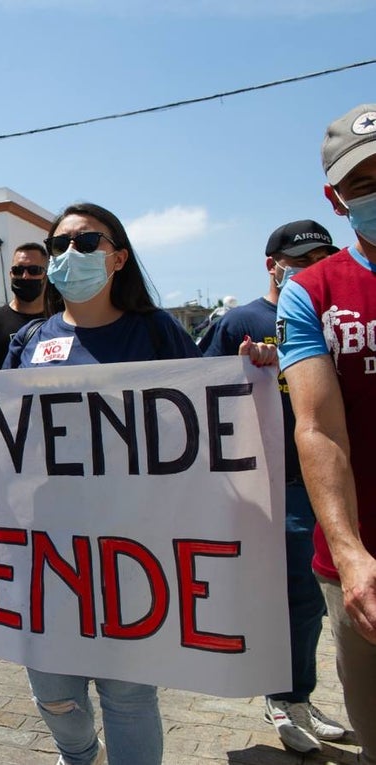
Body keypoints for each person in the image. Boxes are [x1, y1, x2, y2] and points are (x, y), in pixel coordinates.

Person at [0, 203, 272, 765]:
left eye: (86, 242)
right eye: (59, 244)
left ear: (117, 257)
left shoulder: (156, 330)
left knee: (129, 693)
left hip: (134, 546)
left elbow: (210, 408)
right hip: (45, 545)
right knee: (53, 690)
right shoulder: (31, 340)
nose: (70, 255)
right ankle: (79, 754)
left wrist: (250, 369)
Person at [200, 220, 343, 752]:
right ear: (272, 265)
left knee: (310, 599)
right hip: (262, 485)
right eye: (301, 262)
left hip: (319, 480)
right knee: (277, 595)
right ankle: (279, 697)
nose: (312, 271)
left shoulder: (330, 317)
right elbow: (194, 390)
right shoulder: (242, 319)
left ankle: (294, 693)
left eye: (321, 260)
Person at [278, 103, 376, 765]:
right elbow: (317, 424)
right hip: (361, 574)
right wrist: (351, 555)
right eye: (362, 182)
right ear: (335, 199)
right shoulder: (310, 293)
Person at [0, 242, 52, 371]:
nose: (25, 276)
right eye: (18, 270)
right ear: (11, 274)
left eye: (34, 270)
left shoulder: (62, 319)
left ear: (45, 275)